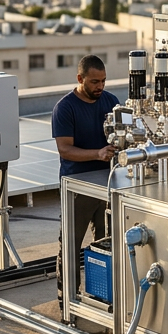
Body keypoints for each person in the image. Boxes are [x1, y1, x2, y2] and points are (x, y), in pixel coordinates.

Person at [52, 55, 121, 295]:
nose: (99, 86)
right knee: (71, 244)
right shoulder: (65, 108)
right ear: (80, 79)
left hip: (107, 184)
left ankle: (103, 295)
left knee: (106, 243)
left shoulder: (111, 102)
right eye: (94, 82)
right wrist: (98, 153)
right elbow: (65, 149)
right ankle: (68, 296)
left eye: (103, 81)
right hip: (77, 188)